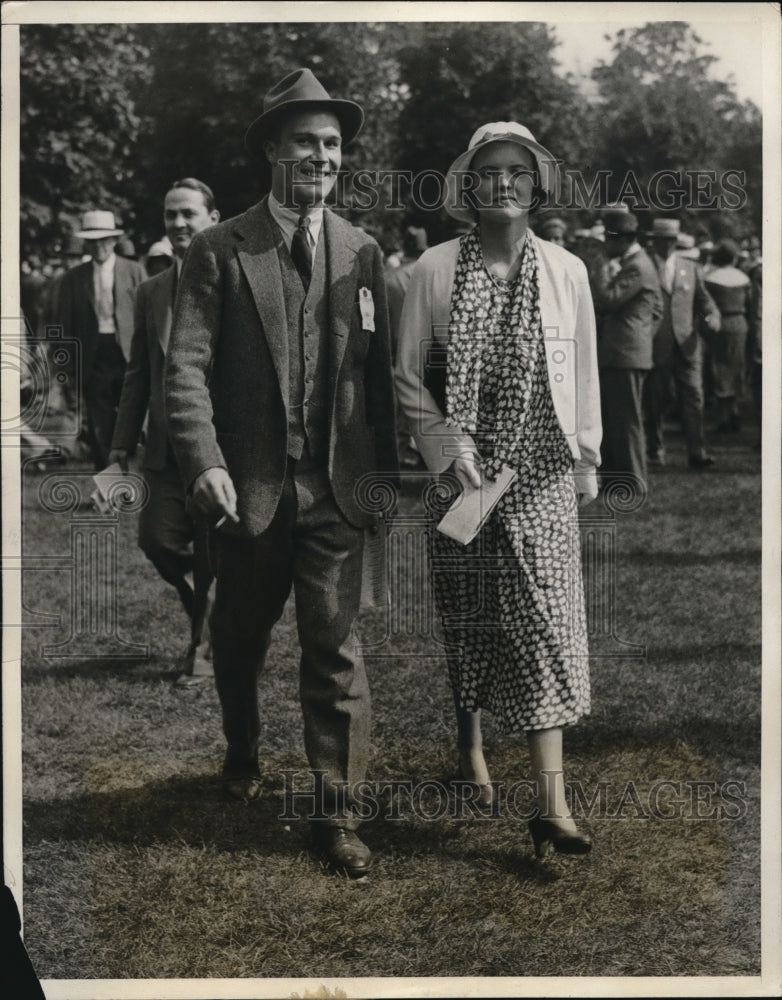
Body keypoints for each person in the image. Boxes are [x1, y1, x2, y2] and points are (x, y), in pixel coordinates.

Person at [164, 68, 398, 879]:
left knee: (335, 651)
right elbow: (185, 368)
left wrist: (383, 485)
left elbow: (378, 381)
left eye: (333, 144)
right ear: (272, 148)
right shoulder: (218, 247)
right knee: (238, 637)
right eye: (306, 141)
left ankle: (337, 816)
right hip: (249, 492)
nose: (323, 156)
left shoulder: (364, 252)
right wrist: (206, 462)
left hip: (335, 490)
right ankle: (242, 746)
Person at [396, 121, 601, 859]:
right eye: (490, 172)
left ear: (538, 184)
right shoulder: (432, 270)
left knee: (546, 621)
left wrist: (587, 460)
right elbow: (408, 376)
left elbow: (583, 376)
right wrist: (448, 451)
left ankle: (552, 806)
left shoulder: (567, 271)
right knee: (473, 619)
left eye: (519, 171)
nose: (505, 183)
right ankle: (469, 743)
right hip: (465, 479)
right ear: (468, 187)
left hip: (542, 471)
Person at [109, 179, 221, 686]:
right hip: (163, 450)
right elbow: (138, 375)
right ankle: (213, 614)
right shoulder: (149, 292)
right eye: (170, 215)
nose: (178, 224)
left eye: (188, 214)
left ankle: (203, 649)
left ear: (212, 219)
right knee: (158, 541)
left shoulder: (234, 284)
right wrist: (118, 445)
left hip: (222, 450)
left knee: (216, 547)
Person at [57, 210, 147, 468]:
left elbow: (147, 315)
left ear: (113, 240)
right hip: (93, 358)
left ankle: (133, 482)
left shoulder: (133, 271)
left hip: (129, 355)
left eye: (104, 240)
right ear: (85, 243)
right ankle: (110, 487)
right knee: (100, 424)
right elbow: (65, 324)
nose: (99, 247)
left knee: (133, 420)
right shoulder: (74, 279)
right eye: (93, 241)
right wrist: (67, 365)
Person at [591, 212, 662, 492]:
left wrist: (599, 270)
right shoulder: (638, 264)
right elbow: (657, 311)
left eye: (608, 238)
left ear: (621, 239)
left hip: (624, 354)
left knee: (626, 421)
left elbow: (608, 300)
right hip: (625, 352)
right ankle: (618, 480)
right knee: (616, 419)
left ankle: (634, 481)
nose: (605, 245)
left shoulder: (636, 267)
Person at [644, 218, 720, 469]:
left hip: (687, 345)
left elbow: (704, 300)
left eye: (670, 240)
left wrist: (712, 315)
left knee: (694, 398)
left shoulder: (690, 267)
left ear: (676, 242)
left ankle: (697, 452)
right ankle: (655, 450)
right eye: (661, 240)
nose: (666, 245)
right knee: (655, 400)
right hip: (655, 343)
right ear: (653, 241)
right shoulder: (643, 266)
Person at [386, 225, 428, 468]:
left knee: (402, 401)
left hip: (397, 347)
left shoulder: (390, 276)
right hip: (429, 347)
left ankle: (403, 450)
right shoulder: (432, 272)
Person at [702, 239, 752, 433]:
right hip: (739, 324)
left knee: (719, 366)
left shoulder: (710, 278)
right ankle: (734, 411)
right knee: (736, 365)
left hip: (719, 324)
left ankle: (724, 415)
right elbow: (749, 304)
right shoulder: (743, 278)